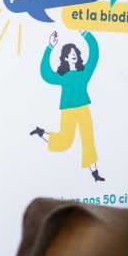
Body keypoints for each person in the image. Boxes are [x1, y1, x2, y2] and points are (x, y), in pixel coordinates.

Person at [29, 30, 105, 182]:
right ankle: (41, 132)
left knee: (88, 139)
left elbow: (94, 54)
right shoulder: (62, 76)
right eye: (70, 53)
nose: (73, 55)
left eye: (74, 52)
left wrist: (85, 34)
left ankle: (95, 173)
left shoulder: (84, 73)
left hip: (83, 107)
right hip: (68, 109)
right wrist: (50, 46)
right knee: (65, 141)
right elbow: (45, 73)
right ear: (65, 57)